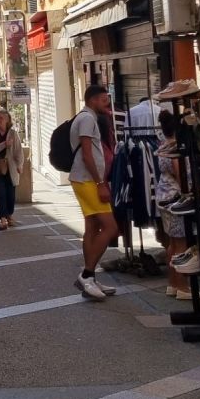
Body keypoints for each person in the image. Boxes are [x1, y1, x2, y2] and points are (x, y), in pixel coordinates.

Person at [69, 84, 119, 300]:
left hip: (84, 179)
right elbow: (88, 154)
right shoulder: (87, 119)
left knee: (92, 226)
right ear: (92, 100)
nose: (106, 103)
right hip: (88, 180)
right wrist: (100, 183)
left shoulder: (85, 118)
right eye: (103, 99)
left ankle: (91, 279)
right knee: (110, 227)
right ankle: (87, 275)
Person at [153, 109, 193, 297]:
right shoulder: (175, 149)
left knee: (171, 243)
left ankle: (173, 283)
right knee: (181, 244)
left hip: (163, 196)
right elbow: (180, 175)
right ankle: (183, 287)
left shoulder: (162, 146)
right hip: (176, 200)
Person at [0, 108, 24, 230]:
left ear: (7, 120)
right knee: (0, 193)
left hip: (11, 168)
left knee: (10, 195)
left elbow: (19, 151)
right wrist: (4, 144)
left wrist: (20, 165)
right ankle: (2, 219)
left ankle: (9, 215)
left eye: (1, 118)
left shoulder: (13, 134)